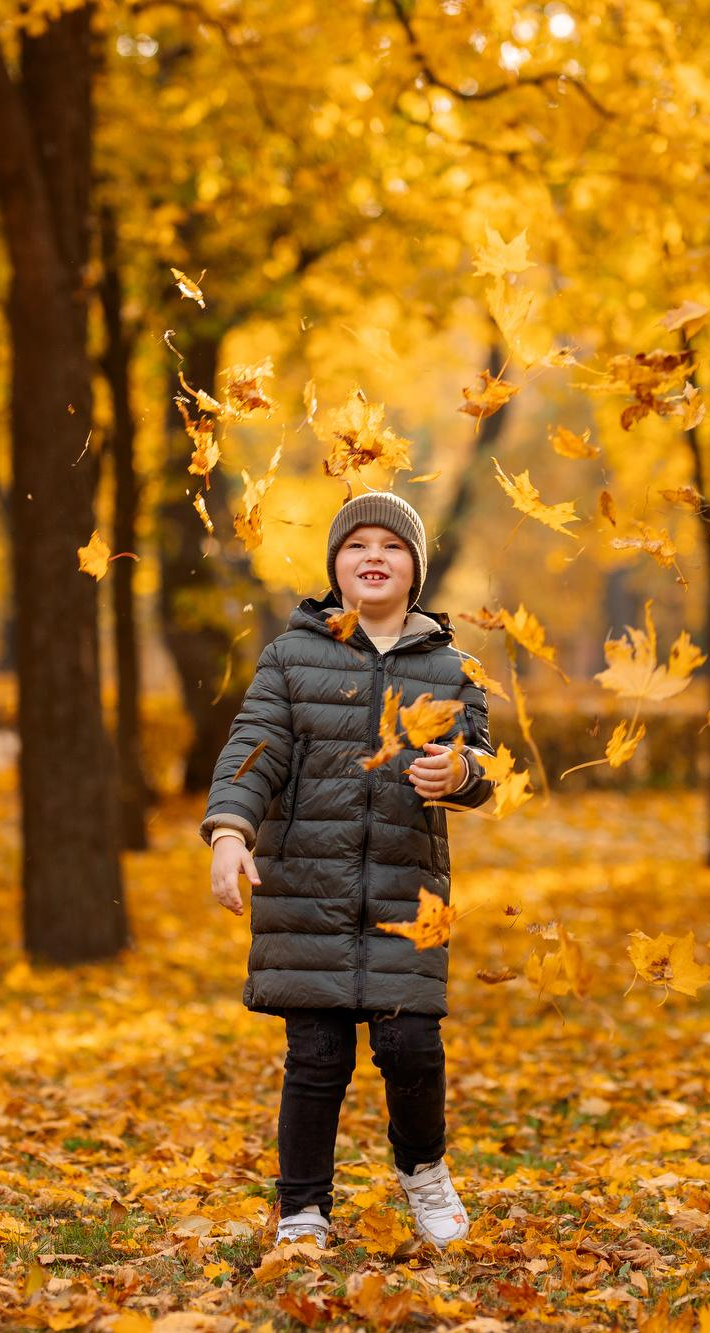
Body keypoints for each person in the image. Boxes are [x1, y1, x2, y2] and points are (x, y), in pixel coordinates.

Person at [202, 491, 495, 1251]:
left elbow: (485, 762)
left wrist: (461, 772)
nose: (374, 556)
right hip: (309, 889)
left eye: (392, 546)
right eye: (357, 544)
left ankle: (424, 1170)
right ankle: (303, 1206)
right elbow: (252, 750)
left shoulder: (452, 666)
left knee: (411, 1048)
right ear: (335, 564)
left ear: (415, 569)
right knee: (316, 1057)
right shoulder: (291, 656)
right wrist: (230, 832)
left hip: (406, 892)